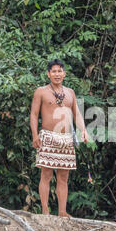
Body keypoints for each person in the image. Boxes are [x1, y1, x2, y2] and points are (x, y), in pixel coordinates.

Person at [30, 59, 88, 217]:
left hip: (66, 138)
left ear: (64, 73)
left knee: (63, 176)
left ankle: (62, 211)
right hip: (48, 136)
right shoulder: (41, 91)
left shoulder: (70, 93)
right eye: (54, 71)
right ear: (48, 74)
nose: (57, 74)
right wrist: (35, 135)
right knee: (46, 175)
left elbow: (77, 114)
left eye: (59, 71)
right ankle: (45, 210)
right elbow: (34, 115)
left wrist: (83, 131)